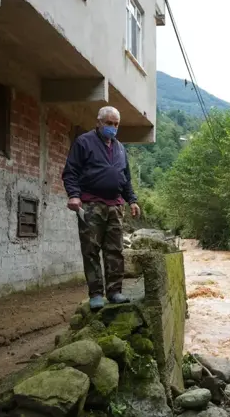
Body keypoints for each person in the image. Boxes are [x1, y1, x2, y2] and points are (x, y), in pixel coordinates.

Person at [62, 106, 141, 310]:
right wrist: (74, 195)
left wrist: (132, 200)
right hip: (91, 205)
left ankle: (115, 291)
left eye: (116, 124)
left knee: (115, 250)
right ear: (98, 122)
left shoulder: (120, 148)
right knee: (91, 250)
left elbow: (126, 179)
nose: (112, 128)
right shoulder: (84, 142)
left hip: (115, 205)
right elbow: (70, 172)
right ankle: (96, 294)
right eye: (109, 123)